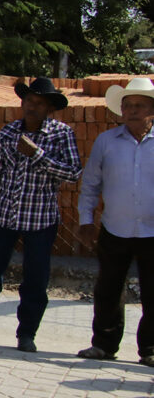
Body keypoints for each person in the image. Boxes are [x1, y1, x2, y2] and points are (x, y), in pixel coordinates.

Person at [0, 77, 82, 352]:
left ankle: (26, 335)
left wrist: (38, 155)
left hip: (40, 221)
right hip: (4, 217)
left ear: (49, 107)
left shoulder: (62, 134)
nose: (32, 107)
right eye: (29, 101)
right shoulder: (8, 132)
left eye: (39, 103)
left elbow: (74, 173)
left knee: (35, 280)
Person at [75, 77, 154, 365]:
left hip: (152, 231)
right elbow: (91, 184)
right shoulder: (106, 142)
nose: (132, 110)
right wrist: (86, 220)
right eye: (128, 105)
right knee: (108, 289)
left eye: (139, 105)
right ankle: (104, 345)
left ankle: (150, 350)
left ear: (152, 110)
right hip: (114, 228)